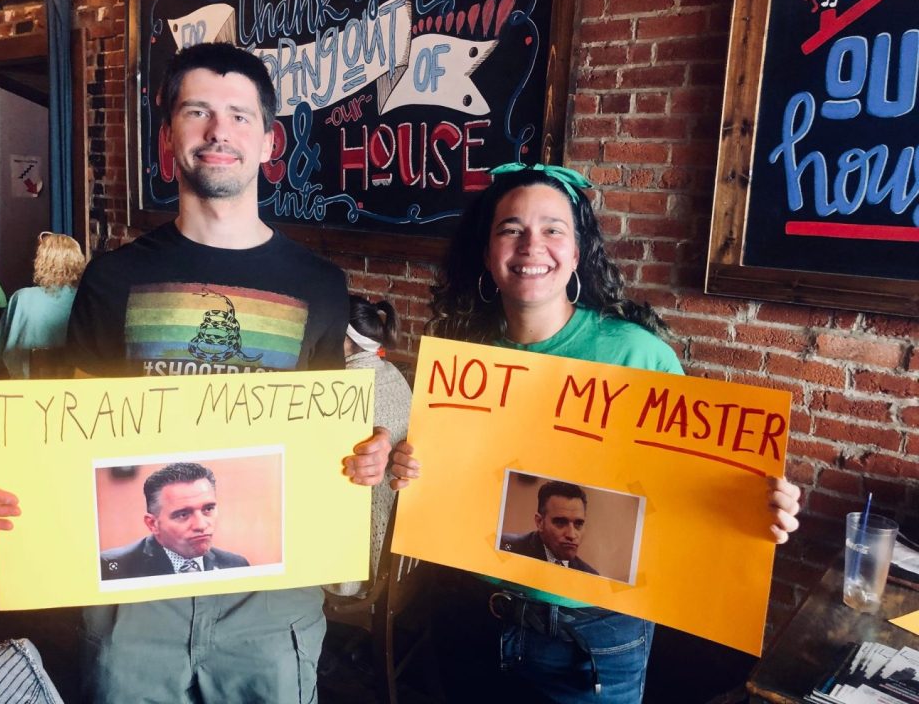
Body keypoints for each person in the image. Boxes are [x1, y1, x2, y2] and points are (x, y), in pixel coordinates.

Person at [0, 42, 392, 704]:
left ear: (269, 141)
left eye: (240, 116)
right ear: (167, 138)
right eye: (197, 112)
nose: (219, 131)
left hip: (269, 599)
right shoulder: (113, 277)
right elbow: (69, 428)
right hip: (136, 600)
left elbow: (327, 434)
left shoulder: (320, 284)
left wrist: (369, 449)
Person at [388, 164, 802, 703]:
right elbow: (448, 478)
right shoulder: (463, 355)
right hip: (472, 615)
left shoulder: (638, 354)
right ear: (487, 253)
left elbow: (685, 485)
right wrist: (405, 464)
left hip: (593, 639)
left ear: (578, 252)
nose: (531, 245)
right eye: (511, 229)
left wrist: (752, 506)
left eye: (553, 229)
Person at [325, 295, 412, 598]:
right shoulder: (392, 373)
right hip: (400, 556)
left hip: (361, 567)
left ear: (342, 336)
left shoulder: (344, 388)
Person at [100, 462, 249, 580]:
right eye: (183, 514)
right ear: (153, 524)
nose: (201, 525)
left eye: (208, 509)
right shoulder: (111, 569)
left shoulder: (236, 565)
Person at [0, 232, 86, 378]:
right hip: (76, 389)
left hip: (24, 389)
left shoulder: (22, 298)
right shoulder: (85, 299)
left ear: (41, 262)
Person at [500, 481, 598, 574]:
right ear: (539, 522)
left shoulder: (590, 575)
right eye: (560, 522)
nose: (571, 535)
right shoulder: (504, 547)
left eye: (578, 524)